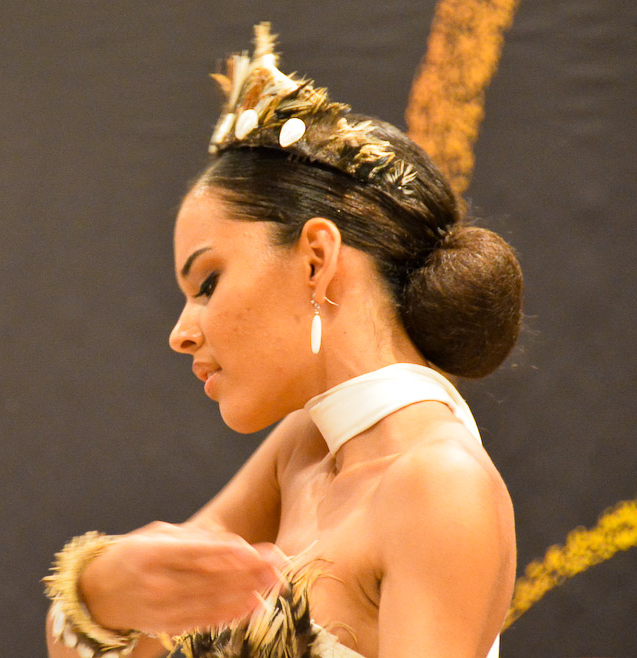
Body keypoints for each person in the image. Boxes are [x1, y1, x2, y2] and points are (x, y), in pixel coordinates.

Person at [44, 23, 521, 658]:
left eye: (207, 283)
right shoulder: (301, 450)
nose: (181, 334)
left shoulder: (439, 483)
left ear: (316, 259)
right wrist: (100, 591)